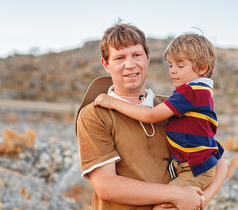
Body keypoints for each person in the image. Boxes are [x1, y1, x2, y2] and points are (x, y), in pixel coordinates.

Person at [76, 21, 227, 210]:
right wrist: (177, 194)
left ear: (147, 57)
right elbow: (106, 187)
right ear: (106, 65)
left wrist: (198, 201)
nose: (130, 65)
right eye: (119, 58)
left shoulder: (171, 107)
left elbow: (217, 159)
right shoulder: (95, 114)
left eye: (136, 55)